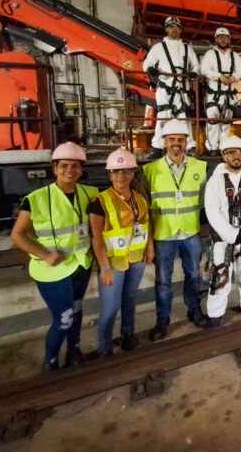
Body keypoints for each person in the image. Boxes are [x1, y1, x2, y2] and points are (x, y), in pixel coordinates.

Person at [10, 142, 97, 371]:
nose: (70, 170)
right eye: (64, 166)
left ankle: (74, 351)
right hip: (52, 271)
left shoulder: (90, 193)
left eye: (75, 166)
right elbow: (18, 236)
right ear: (55, 168)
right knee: (64, 318)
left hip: (80, 265)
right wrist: (45, 254)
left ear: (81, 169)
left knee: (77, 311)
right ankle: (50, 363)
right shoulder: (35, 199)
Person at [143, 119, 208, 340]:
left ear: (187, 142)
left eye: (180, 139)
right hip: (164, 235)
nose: (176, 144)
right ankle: (162, 322)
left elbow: (201, 201)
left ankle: (195, 311)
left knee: (193, 275)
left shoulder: (200, 167)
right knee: (163, 281)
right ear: (164, 142)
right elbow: (146, 209)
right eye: (172, 139)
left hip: (190, 232)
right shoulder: (150, 170)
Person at [88, 147, 153, 356]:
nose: (121, 176)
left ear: (133, 173)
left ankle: (127, 336)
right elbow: (96, 238)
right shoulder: (100, 201)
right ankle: (104, 347)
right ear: (109, 174)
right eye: (116, 171)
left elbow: (146, 225)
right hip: (113, 264)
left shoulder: (140, 199)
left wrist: (149, 247)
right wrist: (104, 267)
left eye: (125, 171)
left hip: (136, 259)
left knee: (130, 299)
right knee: (110, 308)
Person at [205, 135, 241, 326]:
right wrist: (231, 234)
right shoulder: (215, 181)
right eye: (231, 153)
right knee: (221, 276)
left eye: (239, 152)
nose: (236, 156)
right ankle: (215, 313)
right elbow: (212, 212)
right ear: (223, 156)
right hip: (223, 238)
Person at [142, 16, 200, 156]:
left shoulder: (187, 48)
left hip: (182, 88)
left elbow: (196, 66)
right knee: (163, 115)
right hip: (165, 88)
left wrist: (193, 73)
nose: (174, 29)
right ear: (166, 29)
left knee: (184, 117)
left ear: (180, 30)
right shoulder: (158, 48)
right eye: (171, 26)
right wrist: (151, 69)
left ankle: (189, 146)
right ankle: (157, 147)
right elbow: (147, 64)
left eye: (176, 27)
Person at [201, 27, 241, 154]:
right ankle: (212, 148)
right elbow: (204, 69)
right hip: (214, 93)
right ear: (216, 39)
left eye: (225, 37)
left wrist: (233, 77)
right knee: (213, 119)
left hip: (229, 94)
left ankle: (224, 147)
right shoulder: (210, 54)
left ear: (229, 39)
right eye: (220, 37)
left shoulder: (235, 55)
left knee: (226, 121)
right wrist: (219, 76)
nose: (223, 40)